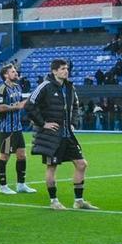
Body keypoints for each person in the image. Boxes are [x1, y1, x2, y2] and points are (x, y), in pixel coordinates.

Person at [27, 59, 99, 211]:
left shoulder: (69, 87)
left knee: (81, 164)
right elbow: (29, 105)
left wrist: (73, 122)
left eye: (67, 68)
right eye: (62, 69)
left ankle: (79, 201)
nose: (66, 71)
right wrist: (43, 123)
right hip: (52, 136)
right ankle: (54, 201)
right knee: (51, 167)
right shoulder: (45, 86)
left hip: (68, 135)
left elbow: (75, 106)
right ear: (54, 71)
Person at [0, 65, 35, 195]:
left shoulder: (18, 87)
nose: (16, 73)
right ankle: (3, 186)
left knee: (22, 155)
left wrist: (25, 103)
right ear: (6, 75)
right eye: (13, 71)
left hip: (17, 128)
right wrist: (17, 106)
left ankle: (21, 184)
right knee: (4, 156)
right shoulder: (2, 88)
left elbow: (20, 104)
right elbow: (0, 107)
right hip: (6, 129)